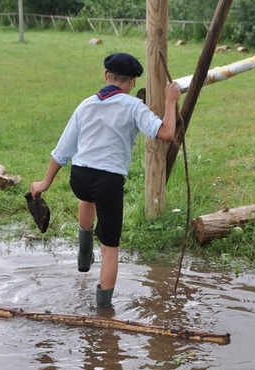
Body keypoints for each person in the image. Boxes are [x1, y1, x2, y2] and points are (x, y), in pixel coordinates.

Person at [30, 52, 181, 308]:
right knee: (111, 248)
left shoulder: (86, 104)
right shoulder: (134, 106)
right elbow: (166, 133)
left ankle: (83, 256)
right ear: (133, 82)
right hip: (108, 182)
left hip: (80, 176)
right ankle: (103, 310)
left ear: (105, 76)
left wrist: (44, 183)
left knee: (86, 197)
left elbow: (62, 150)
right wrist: (170, 102)